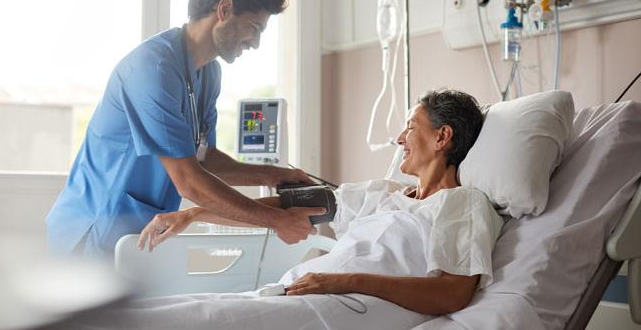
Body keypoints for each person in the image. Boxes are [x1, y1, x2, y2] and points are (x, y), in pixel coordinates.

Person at [129, 89, 505, 326]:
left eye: (411, 127)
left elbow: (451, 294)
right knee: (151, 312)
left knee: (194, 319)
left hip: (346, 307)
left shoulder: (463, 203)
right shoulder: (383, 194)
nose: (399, 138)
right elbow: (289, 205)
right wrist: (193, 214)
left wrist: (342, 281)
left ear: (442, 137)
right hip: (298, 291)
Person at [45, 0, 324, 258]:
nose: (255, 43)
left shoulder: (209, 74)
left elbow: (204, 159)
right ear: (224, 10)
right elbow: (189, 181)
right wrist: (278, 221)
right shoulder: (153, 69)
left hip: (137, 232)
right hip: (89, 231)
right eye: (254, 27)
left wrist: (278, 176)